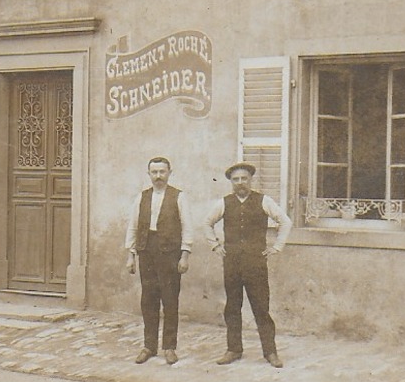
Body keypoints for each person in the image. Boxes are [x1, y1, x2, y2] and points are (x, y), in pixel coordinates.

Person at [205, 162, 292, 368]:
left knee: (261, 308)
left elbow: (285, 222)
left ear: (251, 180)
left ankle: (270, 352)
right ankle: (233, 349)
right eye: (236, 179)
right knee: (232, 307)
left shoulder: (264, 201)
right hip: (232, 263)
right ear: (231, 182)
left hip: (256, 264)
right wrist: (215, 246)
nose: (240, 183)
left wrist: (277, 247)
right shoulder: (224, 203)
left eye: (244, 178)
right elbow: (207, 223)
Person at [125, 156, 193, 365]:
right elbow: (133, 226)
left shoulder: (179, 197)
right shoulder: (142, 197)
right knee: (148, 300)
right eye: (154, 172)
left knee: (170, 301)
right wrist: (131, 255)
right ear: (149, 174)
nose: (158, 176)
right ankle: (149, 346)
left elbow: (187, 227)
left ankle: (169, 347)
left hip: (170, 254)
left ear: (169, 173)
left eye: (162, 172)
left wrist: (185, 255)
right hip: (147, 252)